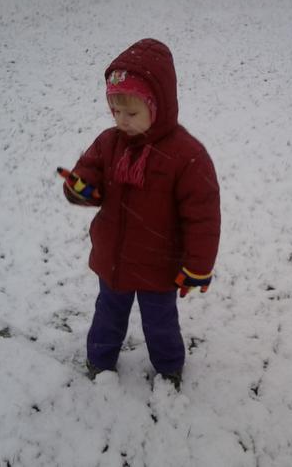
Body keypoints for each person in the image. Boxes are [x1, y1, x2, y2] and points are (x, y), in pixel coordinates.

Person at [59, 38, 221, 390]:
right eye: (115, 112)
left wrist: (198, 265)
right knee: (108, 315)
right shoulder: (108, 142)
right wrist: (81, 188)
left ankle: (169, 367)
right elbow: (89, 175)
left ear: (158, 106)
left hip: (159, 264)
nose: (122, 121)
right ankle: (99, 360)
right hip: (114, 258)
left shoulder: (186, 155)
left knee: (160, 322)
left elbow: (203, 217)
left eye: (131, 113)